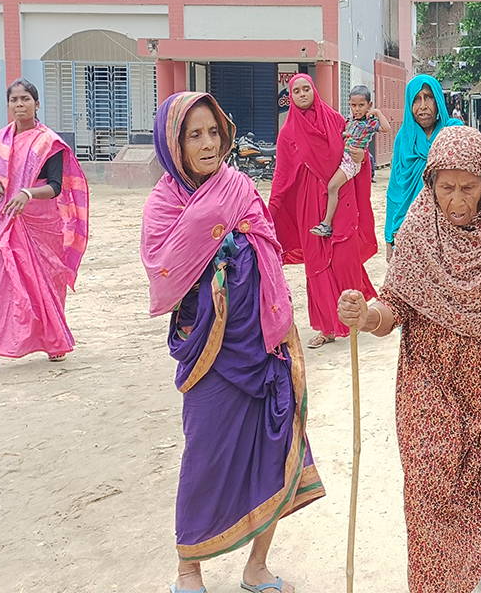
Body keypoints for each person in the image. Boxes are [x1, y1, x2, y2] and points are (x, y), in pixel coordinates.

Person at [339, 126, 481, 593]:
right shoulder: (417, 230)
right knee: (430, 486)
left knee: (479, 484)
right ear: (430, 185)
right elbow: (395, 306)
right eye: (445, 187)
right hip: (429, 378)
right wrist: (367, 315)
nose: (456, 199)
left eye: (468, 187)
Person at [142, 91, 324, 593]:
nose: (208, 144)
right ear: (173, 144)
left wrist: (236, 246)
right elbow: (164, 272)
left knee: (274, 442)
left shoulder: (239, 185)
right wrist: (217, 238)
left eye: (214, 133)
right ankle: (188, 569)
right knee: (204, 454)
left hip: (261, 340)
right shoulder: (162, 205)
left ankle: (256, 567)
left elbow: (267, 242)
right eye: (194, 135)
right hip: (209, 349)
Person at [0, 78, 89, 376]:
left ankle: (55, 340)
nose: (19, 105)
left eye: (25, 99)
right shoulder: (0, 140)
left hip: (41, 222)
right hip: (7, 222)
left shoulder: (47, 142)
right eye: (14, 100)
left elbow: (54, 186)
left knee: (46, 284)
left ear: (36, 105)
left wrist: (27, 193)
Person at [269, 73, 378, 349]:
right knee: (316, 262)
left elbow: (356, 151)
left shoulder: (335, 121)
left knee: (345, 257)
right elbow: (282, 176)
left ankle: (356, 316)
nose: (302, 94)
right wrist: (271, 212)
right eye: (297, 91)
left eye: (307, 89)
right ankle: (327, 327)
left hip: (340, 196)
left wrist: (361, 157)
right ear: (290, 97)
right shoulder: (288, 133)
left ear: (314, 91)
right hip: (308, 203)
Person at [384, 75, 463, 259]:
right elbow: (396, 189)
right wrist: (389, 237)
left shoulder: (453, 132)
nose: (423, 106)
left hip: (449, 228)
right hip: (410, 230)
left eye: (428, 97)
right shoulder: (403, 140)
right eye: (416, 99)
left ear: (438, 101)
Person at [310, 85, 391, 238]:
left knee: (332, 187)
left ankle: (326, 224)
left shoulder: (370, 123)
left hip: (351, 162)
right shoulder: (350, 120)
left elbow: (386, 128)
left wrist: (378, 113)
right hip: (342, 157)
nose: (357, 109)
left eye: (361, 105)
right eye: (354, 105)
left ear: (369, 105)